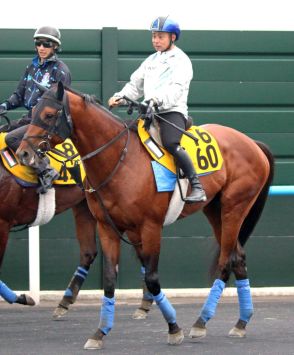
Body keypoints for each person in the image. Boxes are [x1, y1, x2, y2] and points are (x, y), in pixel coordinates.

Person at [108, 16, 206, 203]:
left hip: (172, 112)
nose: (156, 41)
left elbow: (177, 89)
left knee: (170, 143)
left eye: (160, 37)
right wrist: (119, 97)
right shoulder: (150, 60)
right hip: (150, 112)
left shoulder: (182, 60)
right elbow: (135, 85)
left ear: (172, 38)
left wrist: (155, 100)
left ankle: (197, 186)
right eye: (154, 36)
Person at [0, 26, 71, 194]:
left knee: (11, 139)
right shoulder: (31, 67)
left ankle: (46, 170)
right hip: (29, 119)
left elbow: (61, 104)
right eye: (38, 43)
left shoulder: (61, 70)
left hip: (47, 124)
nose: (41, 47)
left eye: (46, 44)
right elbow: (19, 94)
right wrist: (4, 106)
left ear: (55, 46)